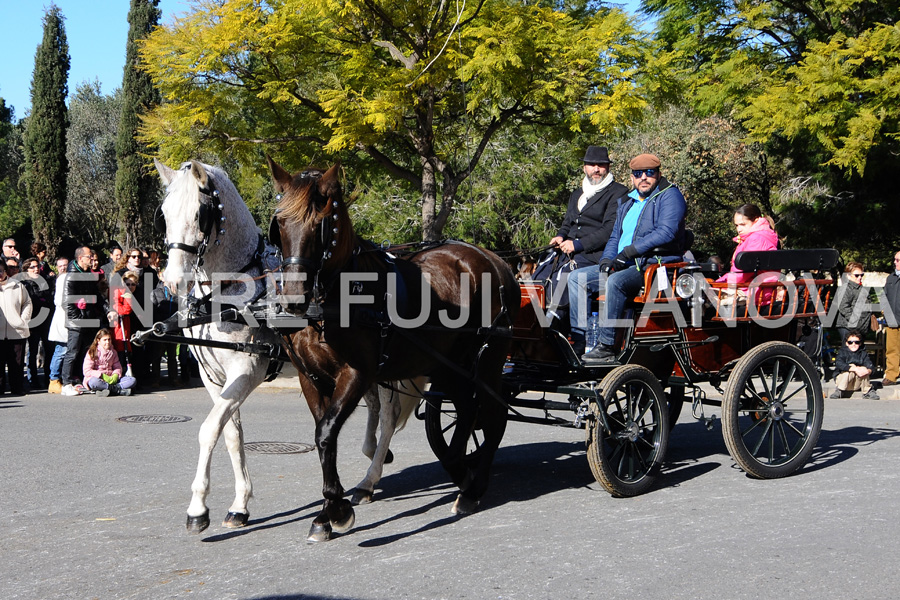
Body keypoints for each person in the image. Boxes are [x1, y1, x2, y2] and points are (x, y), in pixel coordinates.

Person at [577, 153, 686, 363]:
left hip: (655, 265)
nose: (643, 177)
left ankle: (607, 346)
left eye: (649, 173)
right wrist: (606, 261)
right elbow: (615, 236)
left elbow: (666, 232)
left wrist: (629, 252)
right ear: (632, 178)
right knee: (578, 279)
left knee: (616, 282)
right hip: (625, 263)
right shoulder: (628, 201)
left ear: (658, 174)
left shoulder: (670, 195)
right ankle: (581, 340)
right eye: (638, 174)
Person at [533, 146, 627, 350]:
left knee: (565, 276)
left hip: (596, 255)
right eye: (592, 165)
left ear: (608, 167)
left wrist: (577, 244)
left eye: (601, 165)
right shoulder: (577, 193)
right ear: (584, 167)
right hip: (568, 251)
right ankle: (532, 324)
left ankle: (562, 330)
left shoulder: (618, 193)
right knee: (541, 271)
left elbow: (610, 230)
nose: (596, 169)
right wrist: (560, 236)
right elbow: (568, 223)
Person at [61, 247, 110, 396]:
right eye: (90, 257)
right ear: (81, 258)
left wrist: (108, 310)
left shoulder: (89, 274)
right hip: (77, 322)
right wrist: (79, 319)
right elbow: (66, 303)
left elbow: (98, 297)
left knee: (88, 352)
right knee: (72, 352)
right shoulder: (71, 277)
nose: (92, 260)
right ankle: (66, 383)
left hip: (90, 319)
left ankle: (83, 379)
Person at [716, 204, 779, 303]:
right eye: (737, 225)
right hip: (756, 289)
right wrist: (721, 282)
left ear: (756, 220)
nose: (739, 229)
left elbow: (743, 273)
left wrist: (721, 284)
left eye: (743, 224)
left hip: (755, 292)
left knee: (704, 296)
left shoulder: (757, 239)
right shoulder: (759, 237)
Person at [0, 261, 33, 395]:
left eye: (1, 270)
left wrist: (23, 320)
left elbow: (27, 303)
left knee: (17, 363)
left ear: (6, 271)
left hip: (17, 332)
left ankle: (17, 388)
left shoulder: (17, 286)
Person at [21, 257, 53, 389]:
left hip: (46, 321)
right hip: (33, 321)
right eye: (32, 267)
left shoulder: (45, 281)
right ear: (26, 269)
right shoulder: (24, 284)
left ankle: (48, 378)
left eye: (37, 266)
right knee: (32, 351)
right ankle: (32, 379)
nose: (36, 269)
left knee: (49, 350)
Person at [82, 328, 135, 397]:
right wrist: (102, 376)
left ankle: (109, 390)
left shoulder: (114, 352)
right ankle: (117, 390)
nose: (107, 342)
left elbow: (118, 367)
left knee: (132, 380)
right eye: (105, 340)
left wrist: (115, 375)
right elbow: (87, 371)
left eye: (109, 339)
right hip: (98, 379)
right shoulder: (92, 352)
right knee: (94, 382)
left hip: (111, 379)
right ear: (98, 341)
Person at [831, 333, 878, 399]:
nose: (854, 344)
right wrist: (854, 369)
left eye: (856, 342)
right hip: (843, 382)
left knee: (864, 369)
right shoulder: (842, 352)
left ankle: (868, 391)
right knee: (851, 367)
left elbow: (870, 366)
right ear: (847, 343)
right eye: (850, 342)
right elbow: (839, 364)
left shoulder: (863, 354)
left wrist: (867, 371)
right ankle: (839, 390)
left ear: (860, 343)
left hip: (857, 383)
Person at [836, 262, 870, 342]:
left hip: (859, 328)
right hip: (848, 327)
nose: (860, 277)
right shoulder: (846, 288)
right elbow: (843, 306)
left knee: (859, 353)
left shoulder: (861, 289)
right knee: (848, 352)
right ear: (848, 275)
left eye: (861, 275)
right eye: (856, 275)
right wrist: (855, 321)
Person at [882, 251, 900, 386]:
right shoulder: (891, 278)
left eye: (898, 260)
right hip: (892, 319)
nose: (895, 262)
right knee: (892, 349)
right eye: (895, 259)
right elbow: (884, 296)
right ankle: (891, 375)